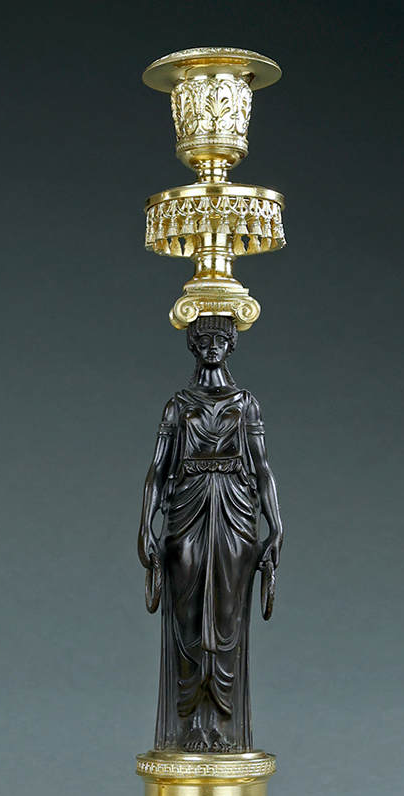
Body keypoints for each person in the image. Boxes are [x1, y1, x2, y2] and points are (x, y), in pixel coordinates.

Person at [138, 315, 283, 753]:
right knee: (187, 620)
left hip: (235, 516)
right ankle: (189, 727)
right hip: (186, 511)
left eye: (221, 338)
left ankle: (219, 726)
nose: (213, 345)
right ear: (193, 345)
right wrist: (145, 525)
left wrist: (276, 525)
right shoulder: (178, 405)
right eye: (204, 339)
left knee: (227, 617)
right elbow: (158, 469)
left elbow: (262, 469)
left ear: (232, 344)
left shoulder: (246, 403)